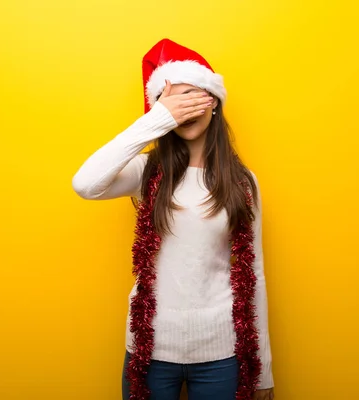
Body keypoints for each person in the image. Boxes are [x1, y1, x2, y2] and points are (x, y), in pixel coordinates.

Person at [72, 38, 275, 400]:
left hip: (220, 353)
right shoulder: (146, 171)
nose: (183, 111)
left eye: (191, 98)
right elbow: (85, 184)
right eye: (172, 101)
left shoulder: (242, 181)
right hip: (150, 350)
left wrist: (262, 371)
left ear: (212, 101)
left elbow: (254, 273)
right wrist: (157, 120)